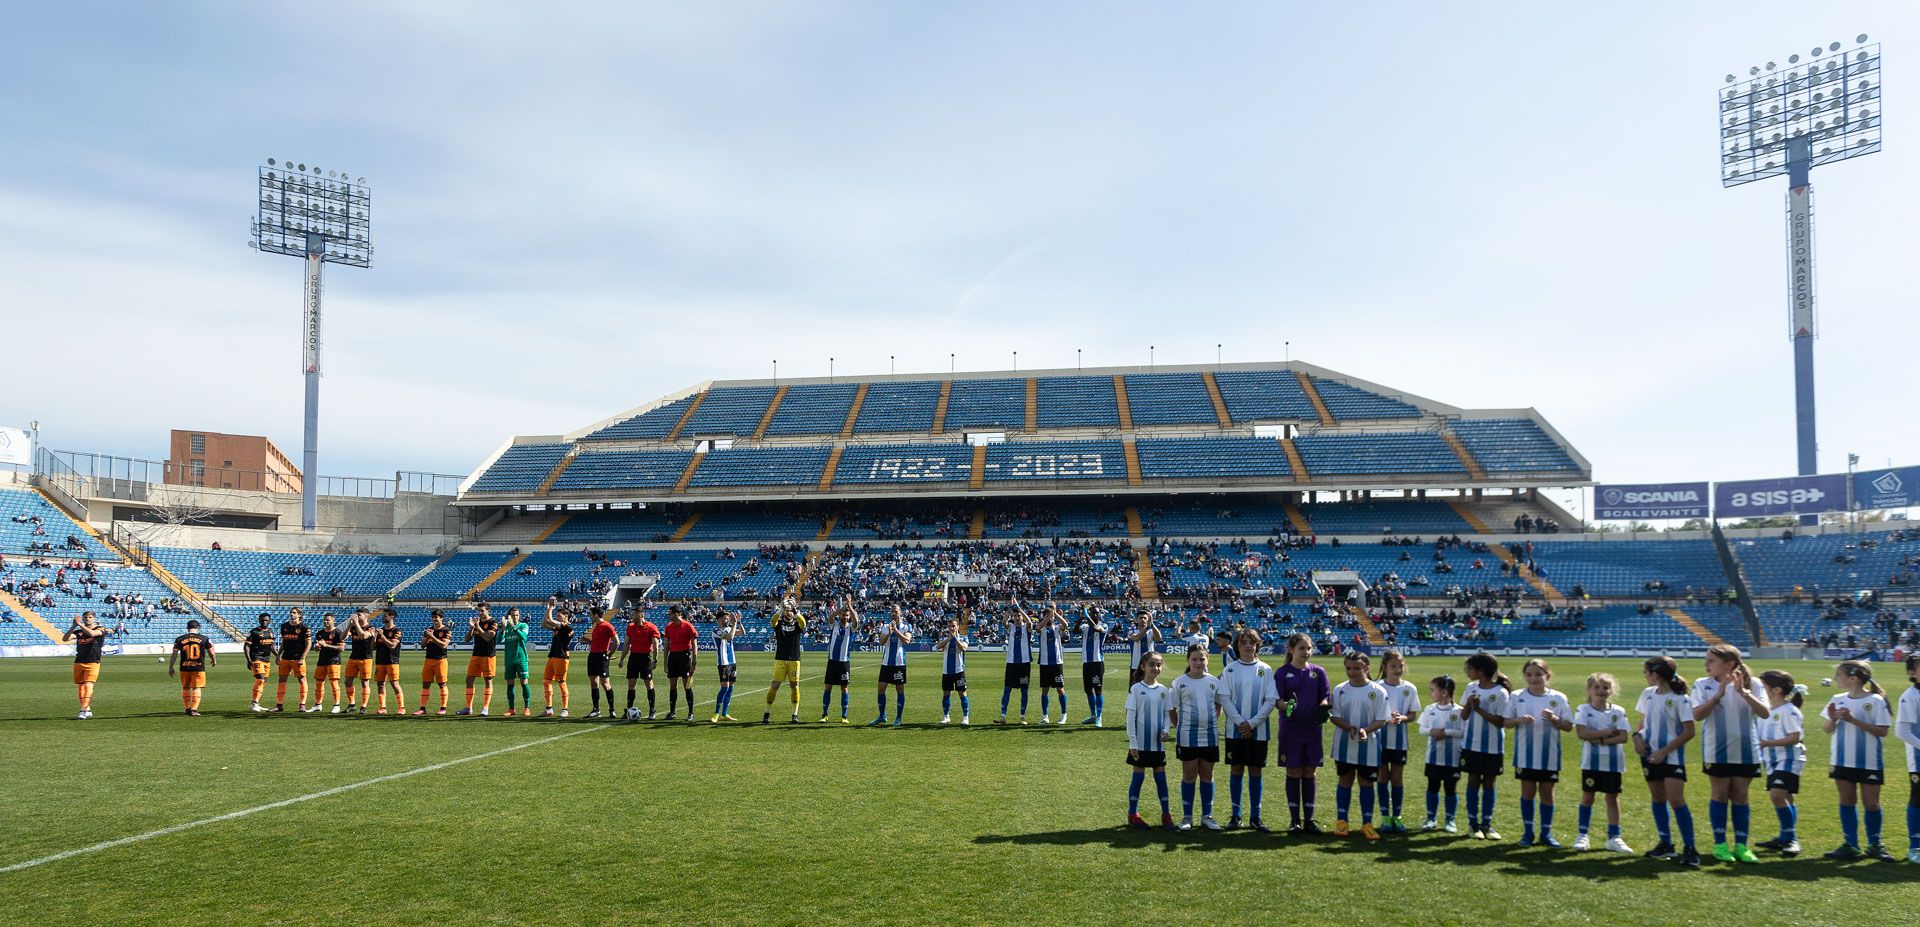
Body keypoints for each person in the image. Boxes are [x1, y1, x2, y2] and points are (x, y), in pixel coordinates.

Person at [1692, 644, 1770, 863]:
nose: (1706, 664)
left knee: (1740, 796)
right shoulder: (1702, 685)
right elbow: (1697, 715)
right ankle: (1720, 844)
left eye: (1711, 661)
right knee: (1719, 795)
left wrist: (1744, 693)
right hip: (1716, 750)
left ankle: (1742, 846)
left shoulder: (1752, 684)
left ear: (1729, 664)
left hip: (1747, 751)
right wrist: (1718, 695)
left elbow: (1764, 713)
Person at [1820, 659, 1896, 861]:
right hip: (1842, 760)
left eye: (1839, 675)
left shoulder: (1876, 701)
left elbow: (1882, 731)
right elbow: (1827, 729)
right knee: (1847, 801)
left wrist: (1852, 720)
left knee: (1871, 803)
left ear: (1852, 679)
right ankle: (1850, 844)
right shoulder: (1837, 698)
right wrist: (1834, 719)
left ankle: (1874, 844)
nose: (1835, 678)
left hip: (1869, 761)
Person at [1635, 655, 1701, 867]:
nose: (1644, 676)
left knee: (1676, 800)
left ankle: (1690, 848)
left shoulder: (1681, 699)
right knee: (1657, 797)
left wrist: (1664, 751)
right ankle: (1665, 843)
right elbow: (1642, 721)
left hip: (1671, 756)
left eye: (1646, 672)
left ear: (1655, 674)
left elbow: (1689, 731)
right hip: (1649, 755)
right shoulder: (1647, 694)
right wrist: (1636, 738)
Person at [1504, 658, 1573, 848]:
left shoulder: (1558, 697)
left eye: (1538, 674)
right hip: (1525, 755)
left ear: (1547, 676)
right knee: (1527, 793)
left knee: (1547, 794)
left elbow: (1569, 726)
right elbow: (1505, 722)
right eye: (1529, 674)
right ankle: (1528, 833)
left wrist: (1556, 719)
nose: (1533, 678)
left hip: (1549, 756)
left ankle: (1546, 833)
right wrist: (1518, 720)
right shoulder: (1517, 696)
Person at [1219, 628, 1276, 831]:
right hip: (1234, 730)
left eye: (1251, 642)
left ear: (1257, 645)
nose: (1248, 646)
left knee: (1255, 770)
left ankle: (1256, 816)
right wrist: (1241, 723)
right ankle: (1236, 815)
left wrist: (1251, 724)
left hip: (1258, 730)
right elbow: (1224, 697)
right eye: (1243, 642)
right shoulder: (1230, 670)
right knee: (1236, 769)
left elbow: (1270, 700)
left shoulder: (1266, 669)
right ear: (1237, 645)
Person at [1275, 632, 1331, 834]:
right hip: (1291, 731)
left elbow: (1324, 697)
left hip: (1313, 730)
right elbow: (1278, 702)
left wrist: (1323, 708)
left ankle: (1309, 819)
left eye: (1308, 648)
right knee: (1293, 772)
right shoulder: (1282, 673)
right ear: (1291, 650)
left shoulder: (1319, 672)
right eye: (1301, 648)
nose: (1306, 652)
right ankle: (1294, 820)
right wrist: (1287, 705)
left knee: (1309, 772)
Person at [1571, 672, 1633, 853]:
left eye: (1605, 687)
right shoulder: (1584, 710)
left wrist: (1599, 739)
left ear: (1611, 690)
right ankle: (1583, 835)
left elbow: (1623, 737)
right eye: (1597, 687)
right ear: (1589, 690)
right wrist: (1606, 732)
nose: (1601, 691)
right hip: (1591, 762)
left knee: (1612, 798)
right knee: (1588, 796)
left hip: (1613, 763)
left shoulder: (1618, 711)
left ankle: (1614, 837)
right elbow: (1582, 734)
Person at [1329, 651, 1388, 840]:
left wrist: (1365, 730)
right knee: (1344, 781)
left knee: (1366, 783)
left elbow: (1382, 719)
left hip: (1368, 747)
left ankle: (1367, 824)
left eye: (1357, 668)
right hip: (1344, 746)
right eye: (1348, 668)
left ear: (1367, 668)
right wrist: (1350, 728)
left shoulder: (1378, 691)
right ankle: (1341, 821)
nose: (1352, 672)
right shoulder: (1339, 689)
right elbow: (1335, 717)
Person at [1169, 643, 1226, 830]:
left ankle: (1207, 817)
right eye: (1194, 659)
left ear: (1207, 660)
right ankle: (1187, 818)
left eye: (1202, 659)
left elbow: (1219, 704)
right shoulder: (1179, 682)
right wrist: (1179, 726)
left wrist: (1213, 719)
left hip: (1210, 736)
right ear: (1188, 660)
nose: (1198, 662)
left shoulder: (1214, 682)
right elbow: (1172, 708)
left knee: (1208, 775)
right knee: (1189, 774)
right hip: (1187, 737)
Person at [1459, 652, 1511, 840]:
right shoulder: (1471, 688)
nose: (1467, 671)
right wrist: (1470, 706)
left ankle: (1487, 824)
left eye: (1470, 668)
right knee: (1473, 780)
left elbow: (1500, 721)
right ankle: (1473, 825)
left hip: (1492, 745)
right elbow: (1463, 716)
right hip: (1471, 744)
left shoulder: (1500, 692)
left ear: (1480, 671)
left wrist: (1480, 709)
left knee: (1489, 782)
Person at [1755, 670, 1807, 856]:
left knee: (1777, 795)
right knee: (1787, 797)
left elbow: (1794, 738)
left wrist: (1767, 743)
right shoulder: (1766, 710)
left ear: (1776, 690)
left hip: (1789, 759)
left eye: (1763, 686)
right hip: (1771, 760)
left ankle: (1790, 838)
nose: (1760, 690)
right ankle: (1785, 837)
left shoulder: (1789, 711)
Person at [1125, 650, 1174, 829]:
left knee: (1161, 779)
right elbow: (1130, 717)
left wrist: (1166, 730)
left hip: (1157, 744)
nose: (1156, 668)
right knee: (1138, 778)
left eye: (1159, 664)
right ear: (1143, 666)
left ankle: (1166, 814)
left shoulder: (1163, 690)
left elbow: (1166, 715)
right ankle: (1133, 814)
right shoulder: (1136, 688)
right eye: (1152, 664)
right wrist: (1132, 742)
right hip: (1140, 744)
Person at [1374, 649, 1420, 834]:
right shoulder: (1377, 687)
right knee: (1382, 777)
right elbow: (1373, 713)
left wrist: (1402, 718)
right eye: (1393, 666)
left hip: (1400, 742)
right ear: (1384, 667)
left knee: (1397, 778)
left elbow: (1413, 715)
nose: (1398, 669)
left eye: (1400, 666)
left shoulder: (1409, 688)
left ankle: (1397, 817)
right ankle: (1385, 816)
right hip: (1380, 741)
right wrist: (1385, 717)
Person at [1419, 675, 1466, 832]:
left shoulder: (1459, 711)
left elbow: (1463, 732)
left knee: (1450, 789)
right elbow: (1422, 729)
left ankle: (1450, 820)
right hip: (1433, 758)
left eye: (1433, 690)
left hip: (1452, 759)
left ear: (1444, 692)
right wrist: (1432, 731)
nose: (1431, 693)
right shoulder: (1430, 709)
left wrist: (1446, 732)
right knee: (1432, 787)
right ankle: (1431, 818)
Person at [1893, 654, 1920, 863]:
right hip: (1919, 760)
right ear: (1913, 673)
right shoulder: (1910, 696)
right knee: (1918, 801)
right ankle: (1915, 847)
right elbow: (1902, 731)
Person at [764, 597, 805, 724]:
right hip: (780, 659)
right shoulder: (779, 623)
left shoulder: (797, 624)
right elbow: (772, 621)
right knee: (775, 685)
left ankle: (794, 714)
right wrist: (781, 608)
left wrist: (796, 609)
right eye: (786, 611)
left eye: (790, 610)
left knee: (794, 686)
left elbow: (803, 623)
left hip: (794, 659)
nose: (788, 612)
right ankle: (767, 712)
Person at [870, 604, 912, 727]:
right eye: (892, 611)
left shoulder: (906, 626)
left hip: (899, 663)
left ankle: (898, 718)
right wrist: (889, 632)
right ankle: (882, 716)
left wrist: (896, 630)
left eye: (896, 611)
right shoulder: (885, 627)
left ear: (900, 613)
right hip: (886, 663)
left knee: (899, 689)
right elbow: (882, 642)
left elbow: (907, 641)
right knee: (881, 688)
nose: (894, 613)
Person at [63, 610, 106, 720]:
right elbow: (65, 638)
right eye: (85, 617)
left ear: (94, 618)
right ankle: (87, 710)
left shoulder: (100, 629)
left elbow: (92, 634)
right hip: (79, 661)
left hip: (93, 661)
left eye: (90, 617)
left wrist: (79, 624)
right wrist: (73, 627)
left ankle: (83, 709)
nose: (87, 619)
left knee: (88, 684)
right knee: (80, 687)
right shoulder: (78, 632)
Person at [169, 619, 216, 716]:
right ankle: (194, 709)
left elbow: (174, 653)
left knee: (185, 687)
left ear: (187, 628)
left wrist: (171, 666)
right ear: (198, 627)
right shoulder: (204, 638)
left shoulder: (179, 639)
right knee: (196, 687)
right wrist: (213, 659)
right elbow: (211, 651)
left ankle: (187, 708)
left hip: (184, 667)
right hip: (198, 667)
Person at [621, 607, 661, 720]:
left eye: (633, 614)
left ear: (640, 614)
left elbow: (655, 645)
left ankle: (652, 710)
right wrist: (622, 659)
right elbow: (626, 644)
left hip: (645, 658)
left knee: (649, 684)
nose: (631, 616)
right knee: (631, 684)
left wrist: (655, 659)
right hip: (633, 657)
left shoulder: (651, 627)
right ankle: (628, 709)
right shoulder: (630, 627)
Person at [820, 596, 855, 723]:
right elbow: (830, 617)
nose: (845, 617)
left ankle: (844, 716)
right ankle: (824, 714)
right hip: (832, 661)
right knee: (828, 688)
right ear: (840, 615)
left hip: (844, 662)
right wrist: (840, 609)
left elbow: (856, 621)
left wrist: (850, 607)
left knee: (844, 689)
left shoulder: (851, 628)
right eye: (843, 615)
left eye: (847, 615)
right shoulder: (834, 624)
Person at [997, 603, 1032, 725]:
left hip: (1024, 663)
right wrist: (1008, 613)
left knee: (1024, 690)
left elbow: (1029, 622)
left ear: (1022, 616)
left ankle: (1022, 717)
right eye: (1015, 616)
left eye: (1019, 616)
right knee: (1007, 689)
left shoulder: (1026, 628)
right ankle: (1003, 716)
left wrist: (1020, 608)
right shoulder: (1011, 627)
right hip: (1011, 663)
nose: (1017, 618)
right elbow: (1004, 623)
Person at [1035, 605, 1070, 725]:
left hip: (1057, 663)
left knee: (1060, 689)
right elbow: (1038, 627)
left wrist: (1055, 613)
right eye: (1046, 616)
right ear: (1044, 617)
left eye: (1051, 616)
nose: (1049, 618)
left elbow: (1065, 624)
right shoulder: (1041, 630)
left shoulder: (1056, 628)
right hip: (1044, 663)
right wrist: (1048, 616)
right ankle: (1045, 716)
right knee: (1045, 690)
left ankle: (1063, 715)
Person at [459, 607, 498, 716]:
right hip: (476, 655)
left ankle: (485, 708)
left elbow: (487, 637)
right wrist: (471, 628)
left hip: (488, 655)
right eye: (479, 611)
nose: (480, 613)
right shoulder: (477, 623)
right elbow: (466, 639)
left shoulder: (493, 623)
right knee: (469, 679)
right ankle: (468, 708)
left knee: (488, 680)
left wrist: (477, 627)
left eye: (482, 610)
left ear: (488, 610)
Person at [274, 607, 313, 713]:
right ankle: (279, 705)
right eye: (291, 612)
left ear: (299, 615)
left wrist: (303, 657)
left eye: (294, 613)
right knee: (281, 680)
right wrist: (278, 655)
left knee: (302, 679)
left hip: (298, 658)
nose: (292, 614)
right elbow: (284, 641)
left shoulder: (304, 627)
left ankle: (302, 705)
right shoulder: (284, 626)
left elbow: (309, 643)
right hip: (286, 657)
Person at [663, 605, 698, 722]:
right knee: (672, 685)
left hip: (685, 656)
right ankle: (672, 712)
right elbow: (666, 646)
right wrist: (665, 662)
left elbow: (694, 645)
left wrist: (694, 662)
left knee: (687, 685)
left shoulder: (688, 626)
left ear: (677, 614)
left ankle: (690, 712)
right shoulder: (669, 627)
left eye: (670, 613)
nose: (669, 616)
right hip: (673, 657)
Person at [415, 610, 454, 716]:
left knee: (442, 684)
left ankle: (443, 708)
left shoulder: (446, 630)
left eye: (436, 617)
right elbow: (422, 646)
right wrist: (427, 637)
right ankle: (422, 708)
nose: (434, 619)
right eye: (433, 617)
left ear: (441, 618)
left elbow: (444, 645)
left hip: (440, 660)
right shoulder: (429, 630)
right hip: (428, 659)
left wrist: (431, 637)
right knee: (425, 684)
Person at [541, 603, 576, 718]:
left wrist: (550, 607)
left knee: (561, 683)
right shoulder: (558, 627)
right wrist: (548, 609)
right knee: (546, 681)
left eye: (560, 615)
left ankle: (565, 709)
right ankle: (549, 708)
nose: (557, 617)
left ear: (566, 616)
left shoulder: (567, 627)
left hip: (561, 657)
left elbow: (549, 620)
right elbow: (543, 624)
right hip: (552, 656)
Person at [585, 606, 619, 719]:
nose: (590, 616)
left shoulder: (607, 626)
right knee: (594, 683)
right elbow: (597, 642)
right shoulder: (596, 627)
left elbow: (616, 642)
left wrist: (609, 655)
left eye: (590, 614)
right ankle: (596, 710)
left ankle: (612, 710)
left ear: (595, 614)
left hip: (601, 657)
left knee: (605, 683)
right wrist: (588, 641)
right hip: (592, 656)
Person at [1077, 606, 1109, 726]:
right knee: (1088, 690)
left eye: (1097, 613)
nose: (1096, 615)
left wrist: (1086, 616)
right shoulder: (1085, 627)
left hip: (1097, 662)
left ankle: (1099, 717)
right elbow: (1075, 631)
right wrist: (1080, 619)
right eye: (1093, 613)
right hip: (1086, 662)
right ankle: (1093, 715)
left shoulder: (1103, 625)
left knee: (1098, 690)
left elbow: (1096, 629)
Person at [936, 615, 970, 726]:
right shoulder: (944, 638)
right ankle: (946, 716)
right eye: (950, 626)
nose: (952, 628)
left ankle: (965, 717)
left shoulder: (963, 637)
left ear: (957, 626)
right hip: (946, 671)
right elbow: (938, 646)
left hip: (959, 671)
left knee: (962, 694)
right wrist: (948, 639)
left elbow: (963, 648)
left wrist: (955, 639)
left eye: (953, 626)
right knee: (946, 694)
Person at [499, 607, 533, 717]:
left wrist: (513, 627)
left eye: (517, 615)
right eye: (513, 615)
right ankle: (511, 709)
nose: (515, 617)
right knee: (510, 684)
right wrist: (503, 629)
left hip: (521, 658)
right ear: (509, 616)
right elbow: (498, 640)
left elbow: (523, 637)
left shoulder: (523, 626)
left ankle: (527, 708)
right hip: (509, 659)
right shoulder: (506, 628)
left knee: (524, 683)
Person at [343, 609, 377, 714]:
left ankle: (364, 706)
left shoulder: (371, 628)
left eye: (359, 614)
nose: (357, 616)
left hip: (365, 658)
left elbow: (363, 636)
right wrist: (349, 626)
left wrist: (356, 624)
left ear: (366, 616)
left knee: (364, 682)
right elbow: (341, 637)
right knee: (347, 681)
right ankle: (352, 704)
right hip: (353, 657)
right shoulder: (353, 628)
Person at [711, 610, 741, 723]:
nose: (728, 620)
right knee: (725, 687)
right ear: (719, 619)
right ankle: (716, 713)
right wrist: (734, 624)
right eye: (725, 618)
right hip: (723, 662)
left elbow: (742, 633)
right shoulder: (716, 630)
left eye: (729, 618)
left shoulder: (729, 628)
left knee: (731, 687)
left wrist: (739, 622)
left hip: (732, 661)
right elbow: (729, 637)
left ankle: (725, 713)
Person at [313, 613, 346, 714]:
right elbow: (317, 648)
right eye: (325, 620)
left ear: (333, 621)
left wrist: (326, 645)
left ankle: (337, 705)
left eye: (328, 620)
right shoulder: (319, 633)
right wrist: (316, 647)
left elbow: (341, 648)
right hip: (322, 660)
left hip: (334, 661)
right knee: (318, 683)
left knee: (334, 683)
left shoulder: (338, 633)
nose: (326, 622)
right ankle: (318, 705)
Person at [373, 611, 405, 714]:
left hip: (392, 661)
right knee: (380, 684)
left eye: (385, 616)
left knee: (394, 684)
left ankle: (401, 707)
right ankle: (382, 707)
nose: (382, 617)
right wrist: (374, 637)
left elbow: (392, 646)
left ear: (391, 617)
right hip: (380, 661)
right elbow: (373, 647)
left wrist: (382, 636)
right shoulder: (380, 631)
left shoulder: (397, 631)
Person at [244, 613, 277, 713]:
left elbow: (271, 646)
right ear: (259, 620)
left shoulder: (271, 632)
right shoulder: (254, 632)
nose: (264, 622)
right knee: (260, 680)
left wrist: (278, 656)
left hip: (266, 659)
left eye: (266, 620)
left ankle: (256, 703)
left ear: (270, 621)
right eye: (262, 620)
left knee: (263, 682)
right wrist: (249, 660)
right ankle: (254, 703)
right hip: (256, 658)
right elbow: (246, 646)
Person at [1127, 609, 1162, 685]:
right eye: (1140, 618)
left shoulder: (1152, 631)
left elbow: (1159, 638)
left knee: (1150, 688)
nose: (1143, 620)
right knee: (1133, 691)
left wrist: (1152, 625)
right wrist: (1147, 628)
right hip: (1136, 666)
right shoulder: (1131, 630)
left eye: (1145, 618)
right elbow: (1136, 638)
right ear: (1137, 620)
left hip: (1150, 666)